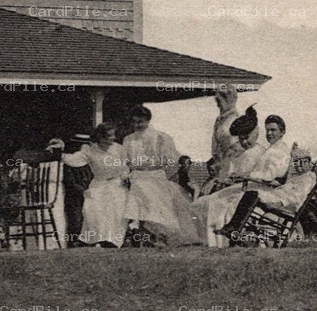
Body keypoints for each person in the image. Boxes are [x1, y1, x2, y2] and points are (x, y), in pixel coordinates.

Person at [198, 110, 293, 243]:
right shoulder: (271, 149)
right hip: (257, 185)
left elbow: (272, 175)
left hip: (268, 189)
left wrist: (246, 175)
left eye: (273, 130)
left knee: (224, 201)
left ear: (282, 132)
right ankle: (218, 239)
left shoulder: (280, 151)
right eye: (268, 130)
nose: (270, 133)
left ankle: (228, 239)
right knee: (217, 198)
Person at [121, 106, 200, 246]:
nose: (136, 125)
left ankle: (158, 236)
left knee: (154, 202)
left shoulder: (160, 137)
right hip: (136, 176)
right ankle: (142, 237)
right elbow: (125, 160)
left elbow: (169, 159)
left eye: (140, 122)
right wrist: (127, 172)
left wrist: (148, 163)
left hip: (155, 175)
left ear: (148, 120)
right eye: (134, 122)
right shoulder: (128, 140)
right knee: (137, 198)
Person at [62, 123, 132, 248]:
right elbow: (73, 160)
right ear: (101, 137)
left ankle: (113, 241)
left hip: (117, 184)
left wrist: (125, 175)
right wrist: (60, 153)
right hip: (99, 184)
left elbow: (125, 167)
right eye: (110, 136)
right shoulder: (89, 150)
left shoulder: (119, 149)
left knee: (116, 208)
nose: (114, 138)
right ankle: (97, 239)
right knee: (92, 208)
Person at [203, 85, 243, 193]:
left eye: (219, 100)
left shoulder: (236, 120)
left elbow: (236, 149)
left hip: (230, 168)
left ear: (228, 99)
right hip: (219, 167)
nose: (217, 104)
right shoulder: (220, 120)